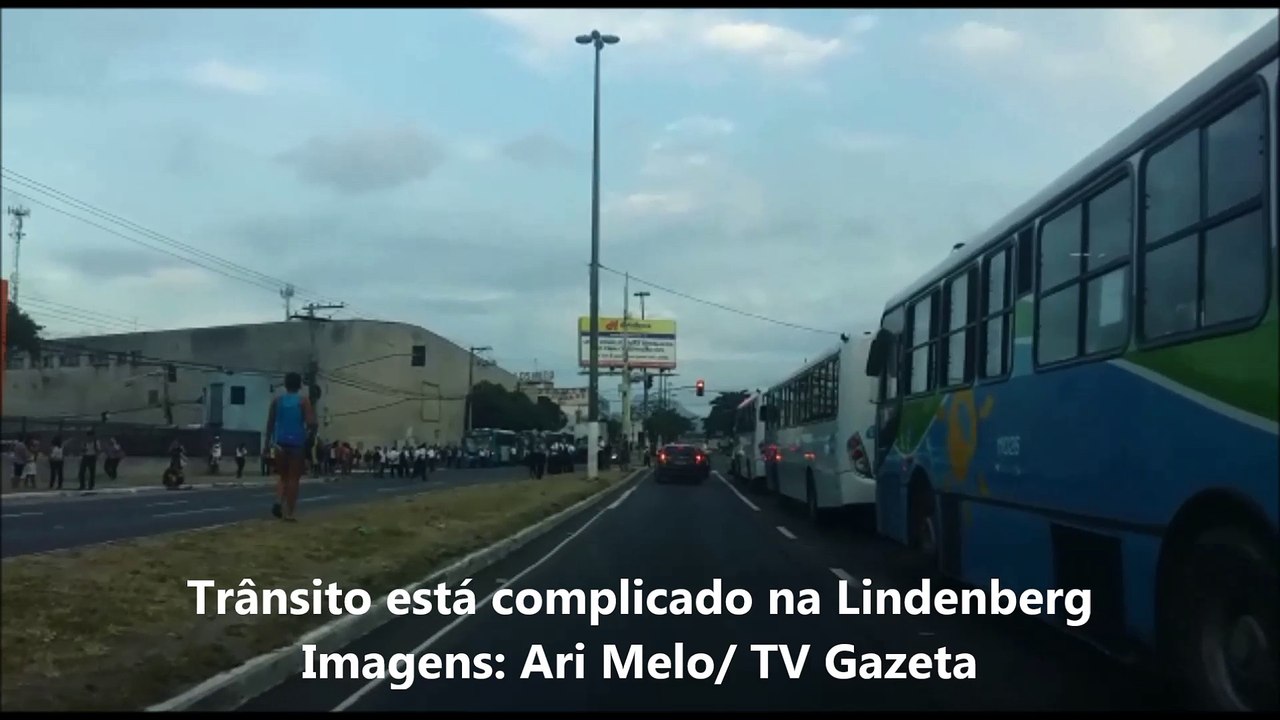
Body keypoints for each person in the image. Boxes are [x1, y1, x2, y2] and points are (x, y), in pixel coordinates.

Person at [265, 371, 317, 521]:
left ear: (285, 384)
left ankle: (278, 501)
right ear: (300, 385)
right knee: (294, 478)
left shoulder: (277, 401)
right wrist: (310, 435)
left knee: (283, 476)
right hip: (297, 444)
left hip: (279, 443)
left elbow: (270, 423)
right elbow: (311, 423)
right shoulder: (303, 401)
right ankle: (289, 513)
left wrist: (267, 443)